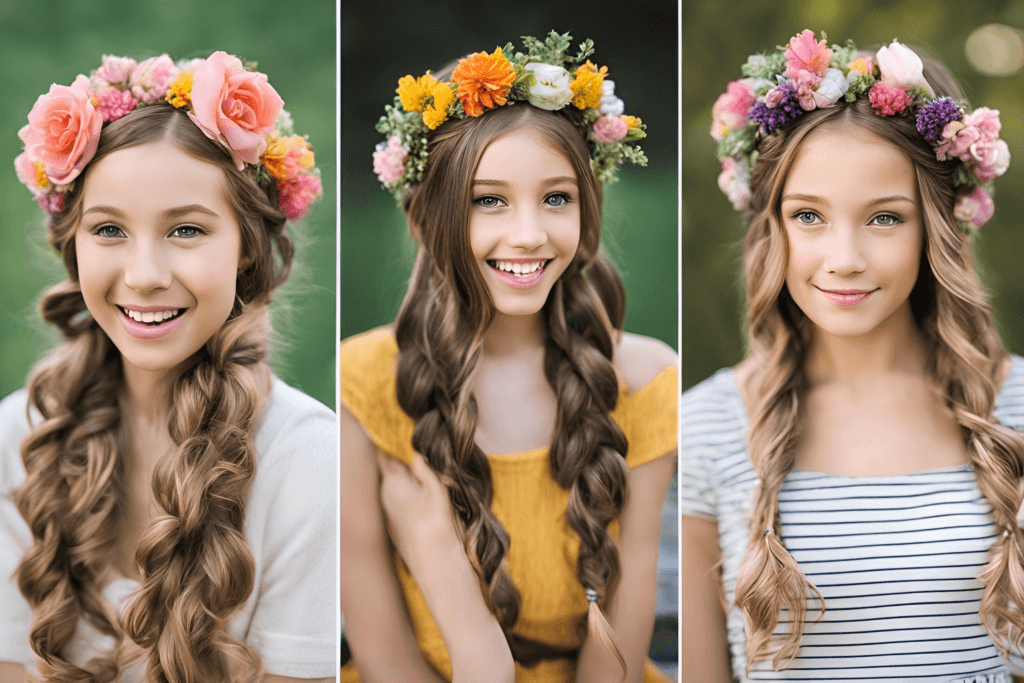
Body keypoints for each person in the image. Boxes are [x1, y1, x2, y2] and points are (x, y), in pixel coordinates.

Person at [682, 30, 1024, 682]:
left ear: (938, 227)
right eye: (809, 216)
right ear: (771, 225)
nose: (844, 257)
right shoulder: (708, 425)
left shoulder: (1014, 405)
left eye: (884, 218)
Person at [340, 32, 678, 683]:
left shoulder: (647, 380)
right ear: (425, 218)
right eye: (488, 199)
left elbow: (623, 634)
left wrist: (439, 555)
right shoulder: (365, 380)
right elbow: (374, 626)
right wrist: (465, 624)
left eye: (556, 198)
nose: (528, 233)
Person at [0, 52, 335, 682]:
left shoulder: (307, 460)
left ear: (246, 249)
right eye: (109, 230)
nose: (145, 275)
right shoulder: (17, 438)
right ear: (73, 244)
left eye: (185, 231)